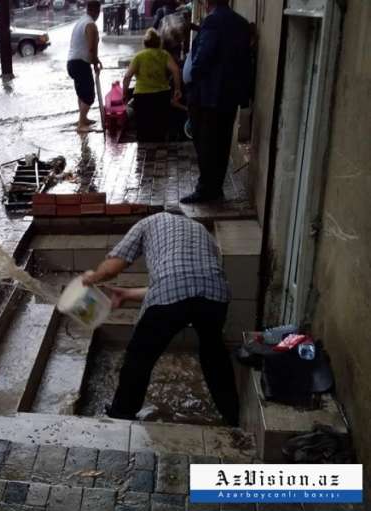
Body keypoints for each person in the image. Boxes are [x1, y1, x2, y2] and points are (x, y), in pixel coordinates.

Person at [83, 212, 240, 426]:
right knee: (214, 353)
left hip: (173, 291)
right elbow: (184, 282)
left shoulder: (148, 223)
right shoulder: (201, 230)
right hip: (216, 294)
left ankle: (122, 413)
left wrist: (92, 278)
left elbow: (113, 267)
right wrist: (127, 294)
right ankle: (232, 416)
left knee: (140, 357)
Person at [180, 0, 251, 204]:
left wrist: (192, 77)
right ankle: (215, 188)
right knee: (221, 143)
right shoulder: (241, 23)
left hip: (207, 96)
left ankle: (205, 190)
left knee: (206, 144)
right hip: (228, 96)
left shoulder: (213, 22)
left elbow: (204, 56)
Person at [122, 28, 181, 142]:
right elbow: (176, 70)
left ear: (145, 43)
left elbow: (127, 76)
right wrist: (177, 89)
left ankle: (144, 153)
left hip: (142, 97)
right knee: (160, 128)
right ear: (159, 42)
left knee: (143, 129)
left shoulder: (138, 56)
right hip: (162, 95)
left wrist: (124, 93)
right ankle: (160, 151)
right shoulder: (164, 54)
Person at [67, 0, 103, 132]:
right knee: (88, 95)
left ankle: (83, 118)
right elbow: (91, 48)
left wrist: (95, 60)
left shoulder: (81, 21)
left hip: (72, 62)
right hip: (80, 63)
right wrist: (95, 63)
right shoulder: (90, 25)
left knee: (82, 93)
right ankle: (81, 124)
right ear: (96, 11)